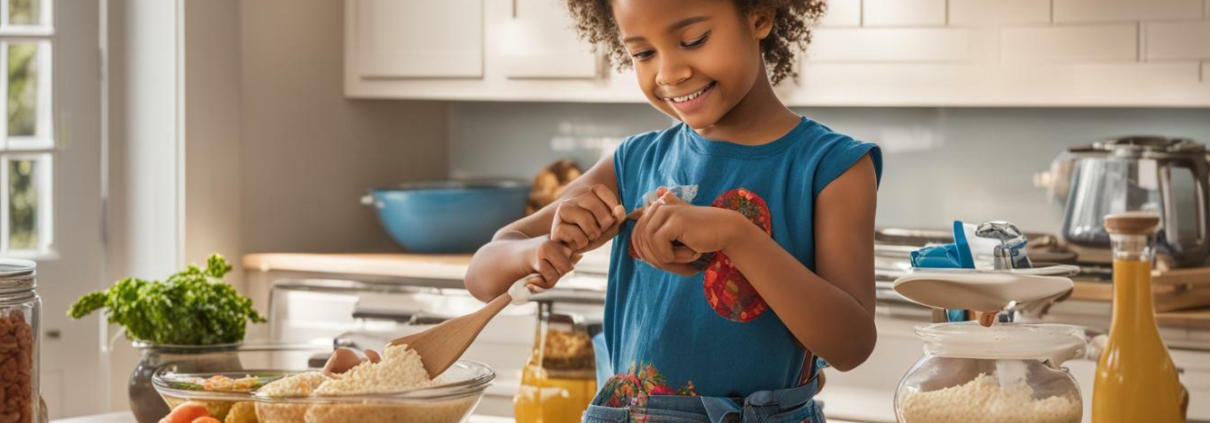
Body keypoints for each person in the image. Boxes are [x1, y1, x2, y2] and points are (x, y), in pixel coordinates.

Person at [466, 0, 883, 421]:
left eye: (693, 40)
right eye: (643, 53)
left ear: (759, 16)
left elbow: (851, 346)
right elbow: (482, 273)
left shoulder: (833, 168)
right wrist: (539, 249)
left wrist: (735, 234)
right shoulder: (633, 163)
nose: (668, 73)